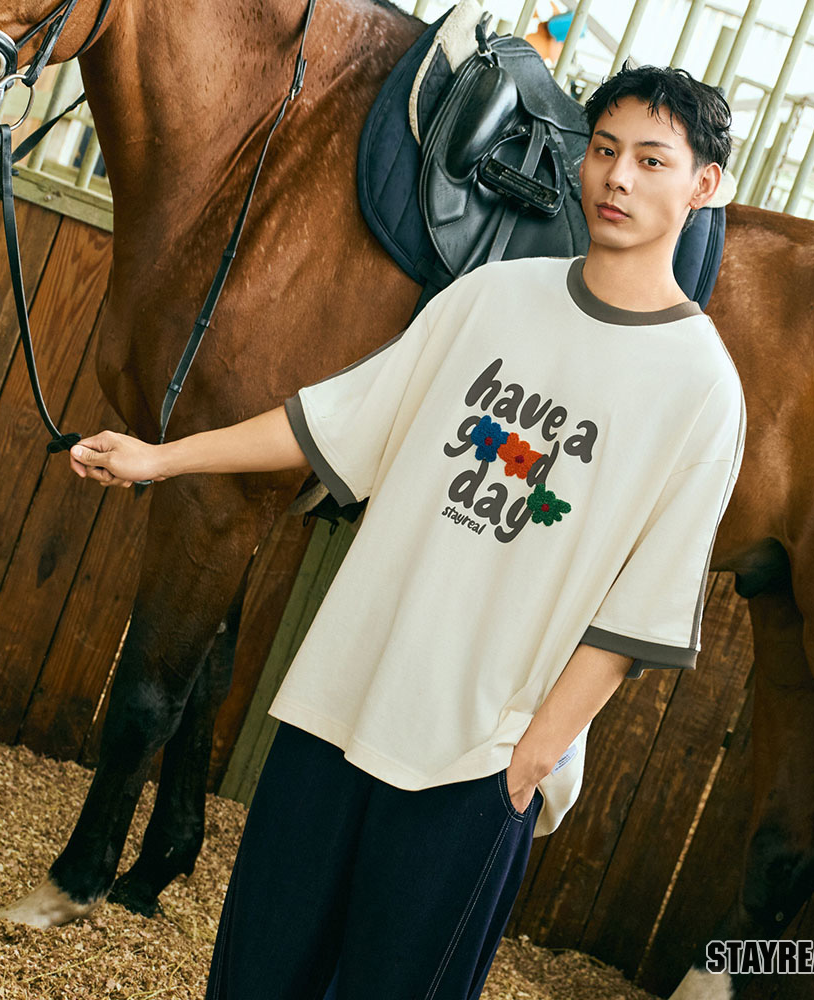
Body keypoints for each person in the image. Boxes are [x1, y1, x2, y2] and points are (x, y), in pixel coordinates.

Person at [69, 64, 744, 1000]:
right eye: (603, 150)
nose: (617, 177)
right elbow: (332, 417)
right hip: (338, 705)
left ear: (705, 184)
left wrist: (531, 756)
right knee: (254, 977)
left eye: (651, 160)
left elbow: (642, 610)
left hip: (475, 763)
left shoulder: (701, 388)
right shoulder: (491, 297)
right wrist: (162, 458)